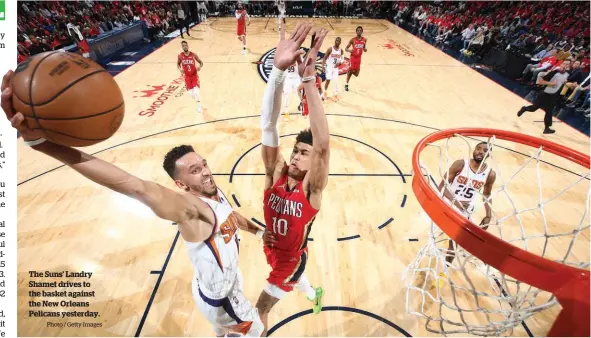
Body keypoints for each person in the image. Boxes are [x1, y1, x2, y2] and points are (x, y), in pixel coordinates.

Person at [0, 73, 270, 337]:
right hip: (224, 303)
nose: (206, 172)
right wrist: (41, 144)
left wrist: (258, 232)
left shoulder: (212, 190)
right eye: (195, 171)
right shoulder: (189, 209)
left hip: (211, 287)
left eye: (204, 165)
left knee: (226, 332)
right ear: (181, 185)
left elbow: (230, 214)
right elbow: (132, 184)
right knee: (257, 330)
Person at [256, 23, 329, 336]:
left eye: (306, 154)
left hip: (290, 259)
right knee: (302, 285)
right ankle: (314, 294)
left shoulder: (311, 190)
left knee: (259, 309)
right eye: (298, 150)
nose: (300, 156)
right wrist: (276, 73)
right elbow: (268, 127)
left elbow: (323, 148)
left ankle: (310, 291)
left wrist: (309, 80)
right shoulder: (275, 172)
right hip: (273, 251)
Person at [437, 142, 497, 285]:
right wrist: (456, 201)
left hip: (464, 210)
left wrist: (489, 214)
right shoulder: (460, 164)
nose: (481, 152)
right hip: (447, 203)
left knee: (454, 242)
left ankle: (444, 270)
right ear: (474, 150)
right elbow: (441, 187)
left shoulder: (490, 174)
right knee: (434, 236)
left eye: (485, 151)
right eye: (478, 148)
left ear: (488, 155)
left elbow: (487, 194)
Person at [517, 59, 572, 134]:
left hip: (553, 95)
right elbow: (540, 81)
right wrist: (551, 83)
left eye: (567, 64)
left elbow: (562, 82)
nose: (565, 65)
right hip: (544, 93)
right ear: (561, 64)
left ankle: (547, 128)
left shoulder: (567, 74)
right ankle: (524, 109)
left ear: (569, 66)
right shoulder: (554, 72)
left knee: (549, 111)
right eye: (564, 64)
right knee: (534, 108)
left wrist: (565, 82)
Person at [177, 40, 204, 113]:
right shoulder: (180, 55)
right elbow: (178, 64)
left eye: (185, 45)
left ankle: (199, 105)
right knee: (191, 94)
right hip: (187, 77)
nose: (184, 46)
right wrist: (180, 70)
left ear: (187, 46)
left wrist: (199, 66)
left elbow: (201, 62)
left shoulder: (193, 54)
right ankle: (197, 100)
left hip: (194, 75)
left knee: (196, 92)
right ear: (182, 47)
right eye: (183, 46)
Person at [345, 26, 367, 92]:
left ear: (362, 31)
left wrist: (365, 49)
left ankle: (349, 72)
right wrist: (349, 50)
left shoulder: (364, 39)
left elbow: (364, 48)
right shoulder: (353, 40)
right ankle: (346, 84)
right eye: (358, 30)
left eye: (360, 30)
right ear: (356, 31)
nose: (359, 31)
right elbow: (346, 48)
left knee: (356, 74)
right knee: (351, 69)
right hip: (353, 57)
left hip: (359, 58)